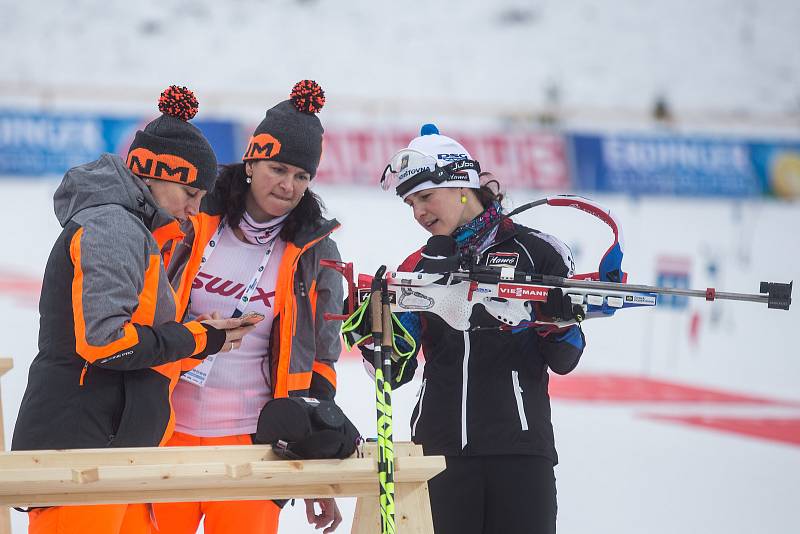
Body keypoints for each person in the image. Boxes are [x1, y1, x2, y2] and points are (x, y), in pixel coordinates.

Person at [11, 86, 254, 534]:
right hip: (83, 458)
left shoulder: (133, 230)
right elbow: (107, 344)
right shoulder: (114, 227)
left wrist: (201, 337)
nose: (194, 210)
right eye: (191, 192)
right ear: (158, 173)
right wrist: (200, 337)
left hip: (111, 452)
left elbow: (136, 339)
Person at [374, 124, 587, 534]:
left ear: (461, 187)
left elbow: (567, 357)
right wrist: (376, 330)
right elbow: (393, 371)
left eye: (425, 197)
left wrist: (555, 322)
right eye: (410, 203)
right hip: (437, 453)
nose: (418, 213)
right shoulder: (417, 267)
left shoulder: (539, 251)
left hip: (520, 451)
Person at [153, 80, 344, 534]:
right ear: (251, 162)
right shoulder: (191, 220)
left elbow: (322, 356)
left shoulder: (316, 250)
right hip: (165, 428)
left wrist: (314, 461)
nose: (288, 185)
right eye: (278, 168)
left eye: (301, 176)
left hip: (253, 440)